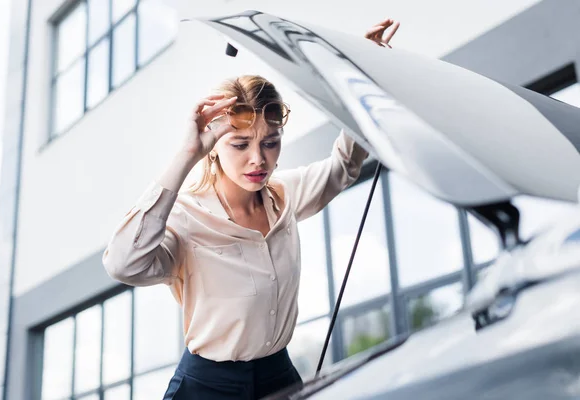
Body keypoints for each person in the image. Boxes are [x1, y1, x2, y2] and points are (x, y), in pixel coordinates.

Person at [102, 18, 400, 400]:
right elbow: (123, 264)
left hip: (280, 375)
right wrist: (186, 155)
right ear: (215, 147)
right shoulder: (185, 218)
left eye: (270, 142)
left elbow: (343, 168)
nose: (258, 159)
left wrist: (355, 75)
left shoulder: (286, 194)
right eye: (240, 145)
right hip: (207, 386)